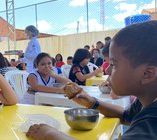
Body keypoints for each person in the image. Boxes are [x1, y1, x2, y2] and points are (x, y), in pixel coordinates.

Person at [27, 21, 157, 140]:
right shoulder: (146, 101)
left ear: (147, 74)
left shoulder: (151, 125)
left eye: (114, 64)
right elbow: (126, 115)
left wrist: (50, 135)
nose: (108, 71)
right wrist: (92, 102)